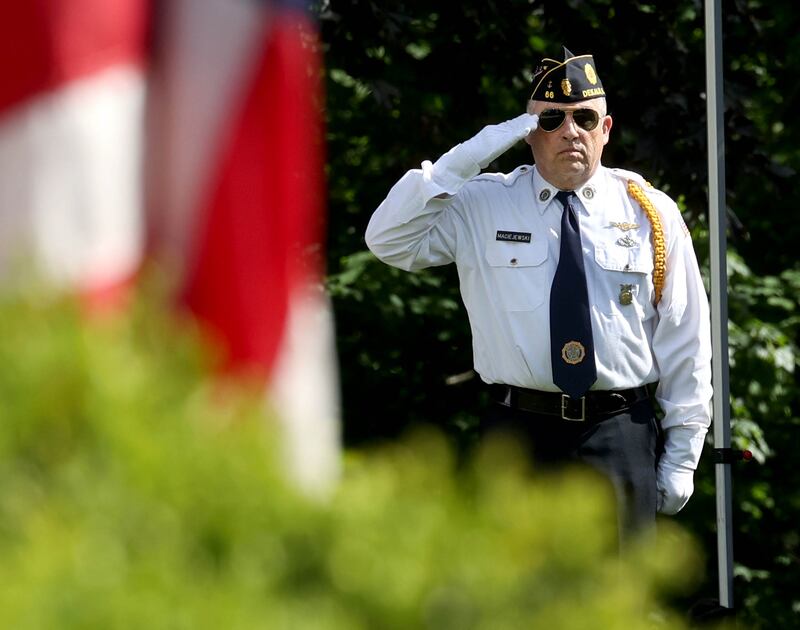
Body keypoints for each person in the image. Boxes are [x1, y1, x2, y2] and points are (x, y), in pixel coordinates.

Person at [365, 47, 712, 537]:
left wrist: (683, 453)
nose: (570, 131)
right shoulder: (482, 203)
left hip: (617, 433)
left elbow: (686, 338)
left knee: (611, 604)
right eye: (551, 119)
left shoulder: (649, 213)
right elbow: (387, 240)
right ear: (528, 132)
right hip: (515, 435)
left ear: (605, 129)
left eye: (584, 118)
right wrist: (474, 151)